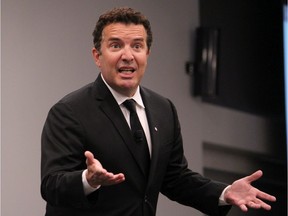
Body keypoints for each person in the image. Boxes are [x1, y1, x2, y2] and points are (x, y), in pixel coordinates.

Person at [41, 7, 276, 216]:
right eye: (115, 45)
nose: (128, 55)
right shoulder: (69, 111)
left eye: (137, 46)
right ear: (97, 56)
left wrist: (224, 192)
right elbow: (52, 184)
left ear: (147, 55)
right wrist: (88, 180)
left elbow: (175, 178)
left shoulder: (163, 109)